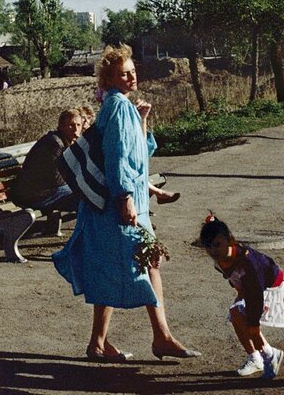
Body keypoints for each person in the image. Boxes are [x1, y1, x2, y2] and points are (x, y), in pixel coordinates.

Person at [53, 44, 198, 363]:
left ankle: (102, 344)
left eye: (133, 71)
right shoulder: (117, 107)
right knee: (146, 262)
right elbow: (118, 158)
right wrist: (125, 198)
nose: (131, 76)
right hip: (119, 205)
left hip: (125, 204)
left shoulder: (123, 106)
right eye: (123, 73)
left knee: (119, 266)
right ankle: (160, 337)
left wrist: (143, 120)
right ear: (109, 79)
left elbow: (140, 156)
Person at [199, 214, 284, 379]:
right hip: (252, 290)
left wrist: (254, 324)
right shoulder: (221, 260)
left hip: (272, 289)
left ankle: (270, 355)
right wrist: (240, 294)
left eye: (217, 245)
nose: (213, 250)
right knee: (237, 315)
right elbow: (234, 279)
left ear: (230, 240)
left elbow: (256, 296)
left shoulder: (247, 262)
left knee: (246, 321)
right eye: (208, 246)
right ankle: (256, 357)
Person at [9, 107, 87, 213]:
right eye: (71, 125)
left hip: (47, 190)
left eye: (78, 125)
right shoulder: (54, 144)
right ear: (61, 127)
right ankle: (85, 229)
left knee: (88, 194)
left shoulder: (66, 141)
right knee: (85, 199)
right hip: (35, 195)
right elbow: (56, 179)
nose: (75, 129)